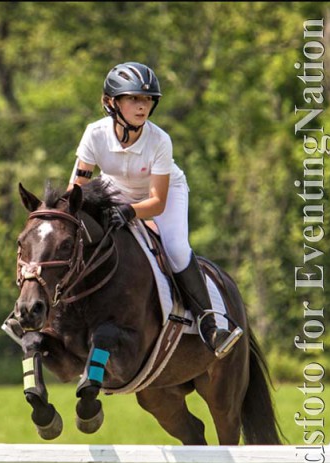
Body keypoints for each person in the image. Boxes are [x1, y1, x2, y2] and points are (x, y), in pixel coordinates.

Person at [69, 62, 242, 358]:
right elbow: (77, 189)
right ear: (112, 103)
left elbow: (156, 202)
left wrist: (128, 212)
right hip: (115, 188)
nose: (142, 106)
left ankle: (210, 324)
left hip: (163, 194)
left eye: (147, 99)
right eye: (134, 98)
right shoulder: (94, 134)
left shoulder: (160, 139)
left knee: (175, 248)